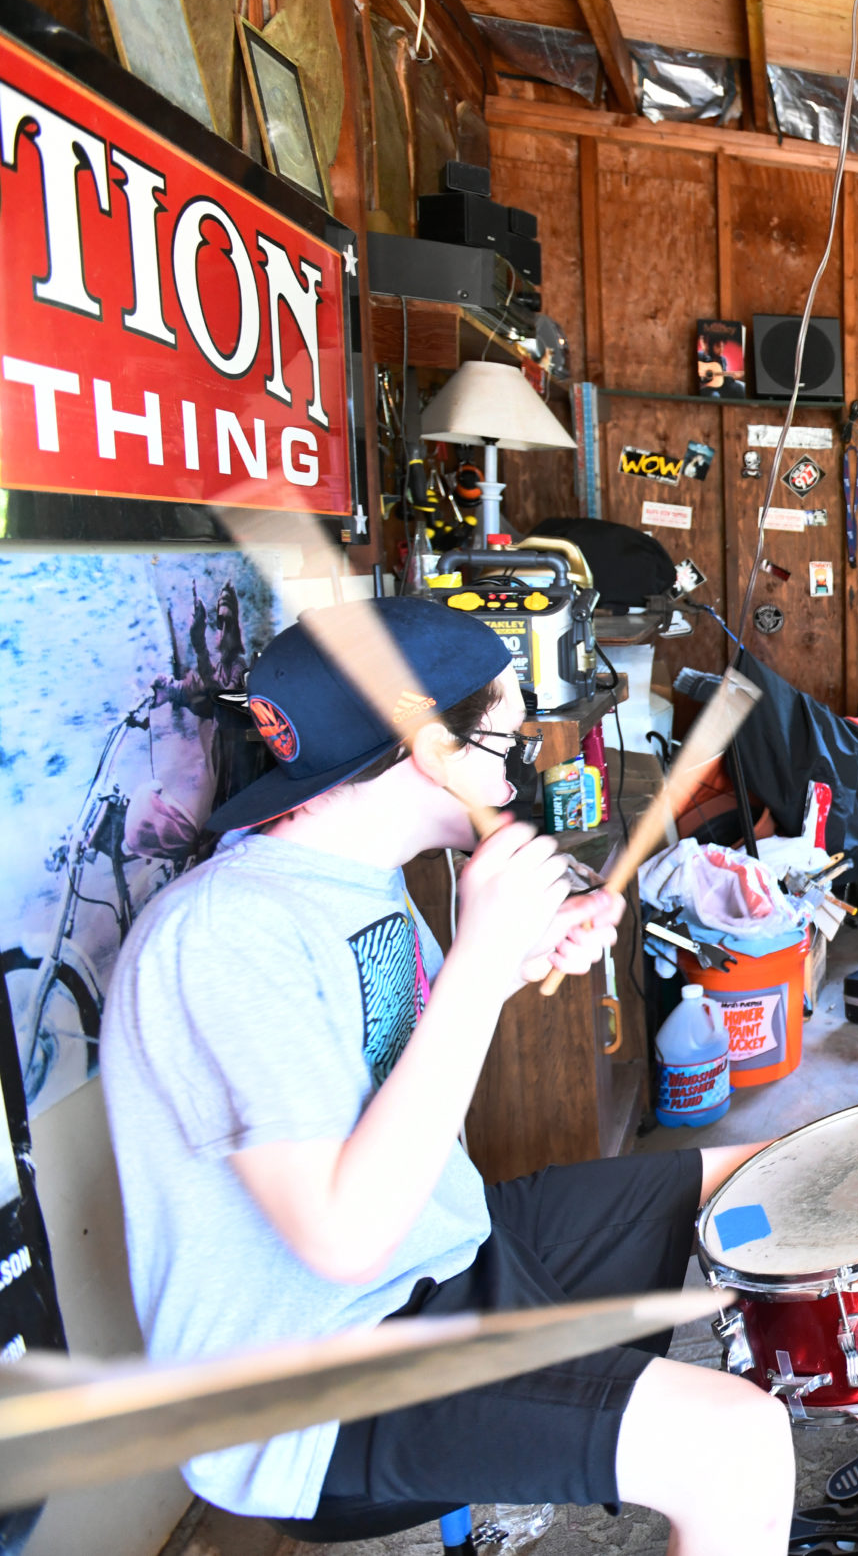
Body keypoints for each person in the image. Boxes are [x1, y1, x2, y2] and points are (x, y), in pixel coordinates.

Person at [100, 598, 792, 1553]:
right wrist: (476, 961)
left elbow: (394, 1072)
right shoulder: (223, 935)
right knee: (736, 1442)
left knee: (768, 1173)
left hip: (441, 1260)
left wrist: (507, 961)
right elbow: (342, 1236)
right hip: (316, 1381)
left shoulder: (361, 878)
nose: (521, 764)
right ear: (427, 750)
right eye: (504, 736)